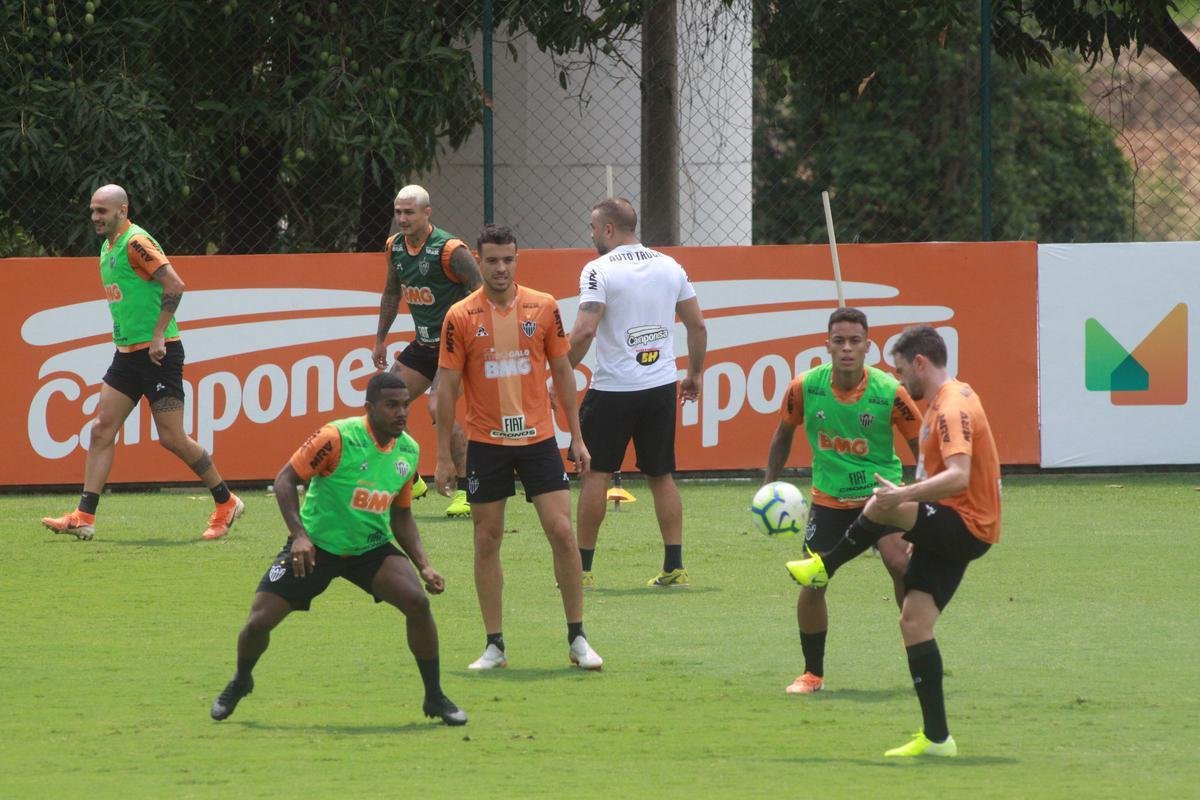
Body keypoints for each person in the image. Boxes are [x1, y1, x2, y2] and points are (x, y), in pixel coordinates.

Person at [786, 326, 1001, 758]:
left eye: (903, 371)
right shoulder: (945, 399)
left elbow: (958, 475)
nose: (901, 381)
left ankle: (825, 564)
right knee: (914, 623)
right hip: (954, 524)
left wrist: (906, 497)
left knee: (882, 501)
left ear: (920, 363)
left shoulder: (950, 407)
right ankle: (938, 738)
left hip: (968, 524)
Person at [210, 371, 467, 726]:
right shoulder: (336, 438)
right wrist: (299, 535)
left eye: (406, 405)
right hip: (315, 547)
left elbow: (402, 514)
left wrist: (423, 565)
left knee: (418, 603)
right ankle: (241, 680)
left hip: (370, 549)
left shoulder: (408, 450)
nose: (402, 413)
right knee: (257, 624)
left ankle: (435, 696)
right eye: (391, 405)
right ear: (370, 408)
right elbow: (285, 480)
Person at [434, 223, 602, 671]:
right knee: (486, 539)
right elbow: (447, 388)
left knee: (563, 533)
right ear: (479, 260)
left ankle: (578, 638)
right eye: (492, 260)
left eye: (508, 259)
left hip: (539, 441)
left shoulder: (544, 307)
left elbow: (564, 373)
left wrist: (577, 437)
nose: (501, 268)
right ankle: (494, 645)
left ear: (517, 259)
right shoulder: (460, 316)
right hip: (486, 444)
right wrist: (444, 456)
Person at [41, 184, 243, 541]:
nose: (94, 217)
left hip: (159, 356)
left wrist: (159, 335)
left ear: (122, 210)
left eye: (102, 211)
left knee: (172, 438)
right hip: (127, 357)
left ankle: (226, 502)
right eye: (92, 210)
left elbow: (176, 285)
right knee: (102, 428)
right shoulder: (107, 247)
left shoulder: (136, 242)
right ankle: (84, 516)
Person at [764, 307, 921, 695]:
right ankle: (812, 673)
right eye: (839, 341)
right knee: (813, 581)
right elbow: (783, 434)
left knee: (901, 563)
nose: (847, 348)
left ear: (869, 346)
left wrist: (923, 503)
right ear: (827, 345)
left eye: (855, 341)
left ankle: (916, 644)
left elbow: (924, 448)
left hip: (882, 496)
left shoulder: (891, 392)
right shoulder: (805, 387)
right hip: (830, 501)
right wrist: (769, 485)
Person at [567, 198, 706, 588]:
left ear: (609, 229)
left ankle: (582, 571)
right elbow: (697, 326)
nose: (592, 234)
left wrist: (559, 370)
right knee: (661, 475)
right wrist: (694, 373)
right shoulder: (670, 265)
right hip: (661, 386)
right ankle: (674, 566)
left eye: (594, 228)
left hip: (613, 389)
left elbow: (584, 331)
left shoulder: (597, 270)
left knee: (595, 474)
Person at [372, 184, 481, 518]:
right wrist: (380, 339)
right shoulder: (395, 247)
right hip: (423, 344)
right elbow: (392, 293)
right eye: (398, 212)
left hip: (458, 346)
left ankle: (467, 491)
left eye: (409, 212)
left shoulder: (450, 250)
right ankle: (413, 480)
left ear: (426, 213)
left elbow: (481, 292)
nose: (402, 219)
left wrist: (477, 338)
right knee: (381, 402)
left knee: (438, 406)